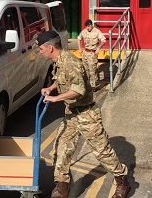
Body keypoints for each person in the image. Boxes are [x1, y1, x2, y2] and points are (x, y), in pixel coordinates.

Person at [36, 30, 130, 198]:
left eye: (41, 48)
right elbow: (62, 79)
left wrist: (56, 98)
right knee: (61, 148)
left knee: (102, 152)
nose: (39, 51)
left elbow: (78, 90)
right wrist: (50, 88)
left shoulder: (71, 62)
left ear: (50, 48)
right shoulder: (59, 61)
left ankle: (122, 180)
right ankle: (62, 187)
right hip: (71, 114)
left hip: (87, 114)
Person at [77, 19, 106, 92]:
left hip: (92, 53)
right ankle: (86, 84)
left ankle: (93, 86)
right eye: (86, 26)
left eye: (88, 26)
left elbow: (103, 40)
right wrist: (79, 48)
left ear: (91, 25)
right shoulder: (84, 31)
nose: (87, 28)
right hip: (86, 53)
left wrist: (99, 48)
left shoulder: (96, 31)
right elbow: (78, 38)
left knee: (92, 70)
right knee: (84, 69)